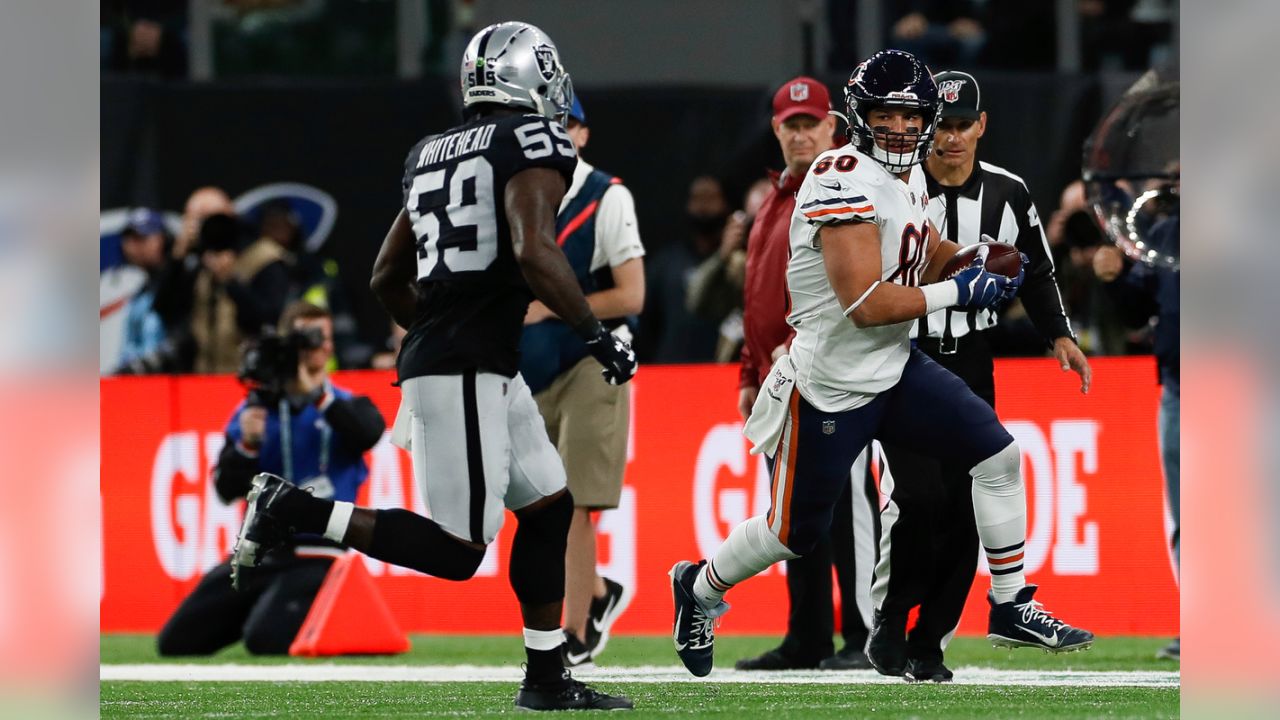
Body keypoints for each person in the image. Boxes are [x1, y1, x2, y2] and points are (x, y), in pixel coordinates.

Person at [229, 22, 634, 712]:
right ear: (524, 77)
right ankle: (291, 507)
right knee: (457, 551)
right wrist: (596, 334)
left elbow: (387, 275)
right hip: (469, 364)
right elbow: (537, 251)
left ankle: (546, 678)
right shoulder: (533, 140)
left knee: (548, 509)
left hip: (469, 359)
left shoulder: (431, 152)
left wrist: (440, 336)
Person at [668, 49, 1093, 680]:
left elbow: (921, 247)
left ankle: (1010, 604)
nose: (898, 127)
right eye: (885, 115)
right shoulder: (841, 176)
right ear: (860, 117)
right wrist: (961, 290)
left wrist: (968, 257)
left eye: (909, 115)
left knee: (998, 455)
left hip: (894, 366)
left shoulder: (909, 176)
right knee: (794, 532)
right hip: (831, 386)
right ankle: (699, 587)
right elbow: (865, 302)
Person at [866, 70, 1092, 683]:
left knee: (968, 505)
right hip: (903, 356)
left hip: (970, 356)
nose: (951, 138)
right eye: (941, 125)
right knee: (920, 496)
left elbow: (1040, 270)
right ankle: (889, 615)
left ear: (982, 125)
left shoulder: (1009, 192)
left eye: (963, 124)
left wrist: (1059, 335)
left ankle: (927, 643)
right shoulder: (894, 187)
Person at [732, 76, 876, 672]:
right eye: (790, 124)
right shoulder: (775, 199)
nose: (799, 133)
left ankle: (868, 634)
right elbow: (759, 297)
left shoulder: (842, 189)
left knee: (848, 507)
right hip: (782, 381)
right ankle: (809, 636)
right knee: (797, 517)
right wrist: (749, 371)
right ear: (776, 129)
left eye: (809, 123)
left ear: (832, 126)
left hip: (833, 376)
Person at [157, 301, 385, 656]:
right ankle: (270, 608)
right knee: (177, 642)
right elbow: (226, 489)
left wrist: (316, 394)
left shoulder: (343, 402)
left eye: (323, 337)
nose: (319, 346)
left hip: (321, 551)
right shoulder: (257, 410)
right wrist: (248, 445)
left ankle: (343, 628)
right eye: (308, 338)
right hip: (262, 551)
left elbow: (368, 433)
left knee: (265, 640)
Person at [518, 94, 645, 668]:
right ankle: (594, 594)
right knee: (538, 500)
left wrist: (555, 308)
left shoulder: (605, 196)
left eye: (564, 125)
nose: (556, 135)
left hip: (594, 357)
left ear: (583, 133)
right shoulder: (521, 193)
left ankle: (573, 632)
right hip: (530, 367)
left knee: (574, 501)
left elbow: (632, 295)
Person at [1093, 211, 1179, 660]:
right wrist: (1115, 278)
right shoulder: (1167, 231)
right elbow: (1137, 311)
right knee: (1188, 516)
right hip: (1179, 385)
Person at [638, 175, 729, 363]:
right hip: (671, 371)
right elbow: (645, 322)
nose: (704, 208)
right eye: (698, 199)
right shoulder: (665, 263)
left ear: (726, 205)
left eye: (711, 199)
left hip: (726, 371)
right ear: (687, 205)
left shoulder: (738, 264)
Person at [189, 212, 290, 373]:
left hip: (250, 374)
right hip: (206, 374)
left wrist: (230, 281)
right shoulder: (204, 267)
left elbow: (268, 320)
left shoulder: (265, 261)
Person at [101, 208, 171, 374]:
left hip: (171, 382)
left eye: (142, 238)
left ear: (162, 239)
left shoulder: (177, 283)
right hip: (136, 382)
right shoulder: (139, 289)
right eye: (129, 238)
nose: (132, 245)